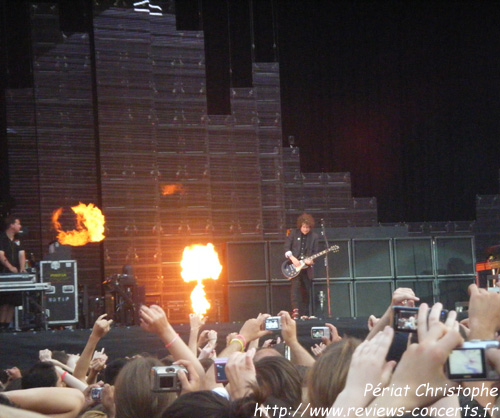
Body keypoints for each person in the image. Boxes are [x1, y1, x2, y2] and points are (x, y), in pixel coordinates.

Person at [284, 213, 319, 317]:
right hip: (294, 266)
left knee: (307, 290)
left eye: (308, 227)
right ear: (300, 226)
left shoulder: (314, 237)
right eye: (304, 227)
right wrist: (292, 258)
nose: (305, 229)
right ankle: (295, 311)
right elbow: (286, 248)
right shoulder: (293, 234)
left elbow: (315, 252)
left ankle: (305, 313)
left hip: (306, 268)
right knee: (295, 288)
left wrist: (311, 260)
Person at [0, 216, 26, 329]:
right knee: (4, 302)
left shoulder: (18, 238)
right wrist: (10, 267)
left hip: (15, 274)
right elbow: (1, 255)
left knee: (13, 302)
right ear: (11, 225)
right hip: (4, 273)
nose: (20, 226)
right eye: (18, 224)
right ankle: (1, 325)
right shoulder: (2, 238)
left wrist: (22, 268)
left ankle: (7, 325)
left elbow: (21, 253)